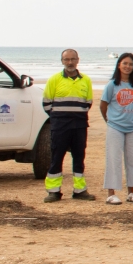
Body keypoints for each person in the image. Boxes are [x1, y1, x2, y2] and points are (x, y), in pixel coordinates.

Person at [41, 49, 94, 202]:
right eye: (66, 59)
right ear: (62, 61)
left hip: (79, 125)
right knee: (57, 157)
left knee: (79, 157)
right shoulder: (54, 79)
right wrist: (59, 118)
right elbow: (46, 103)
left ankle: (80, 191)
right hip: (60, 126)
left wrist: (76, 116)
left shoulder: (86, 80)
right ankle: (54, 191)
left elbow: (88, 102)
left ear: (78, 60)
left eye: (72, 59)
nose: (70, 62)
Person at [100, 53, 133, 205]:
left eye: (131, 64)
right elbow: (103, 105)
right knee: (114, 159)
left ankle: (131, 192)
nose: (127, 67)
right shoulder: (112, 85)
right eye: (125, 63)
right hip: (115, 127)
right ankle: (111, 193)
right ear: (119, 65)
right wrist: (109, 120)